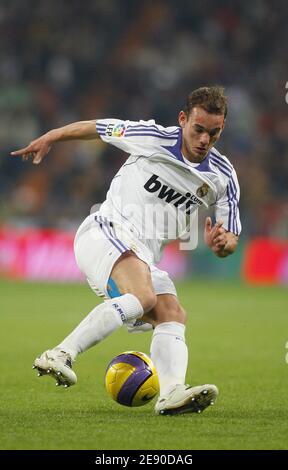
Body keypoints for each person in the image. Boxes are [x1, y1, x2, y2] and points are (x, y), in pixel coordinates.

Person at [11, 86, 241, 415]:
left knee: (172, 314)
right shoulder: (152, 137)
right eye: (199, 129)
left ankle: (172, 392)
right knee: (146, 297)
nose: (205, 139)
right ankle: (60, 353)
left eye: (214, 133)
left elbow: (229, 237)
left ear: (222, 129)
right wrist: (52, 136)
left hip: (142, 257)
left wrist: (222, 245)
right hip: (105, 230)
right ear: (182, 120)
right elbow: (98, 127)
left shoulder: (224, 177)